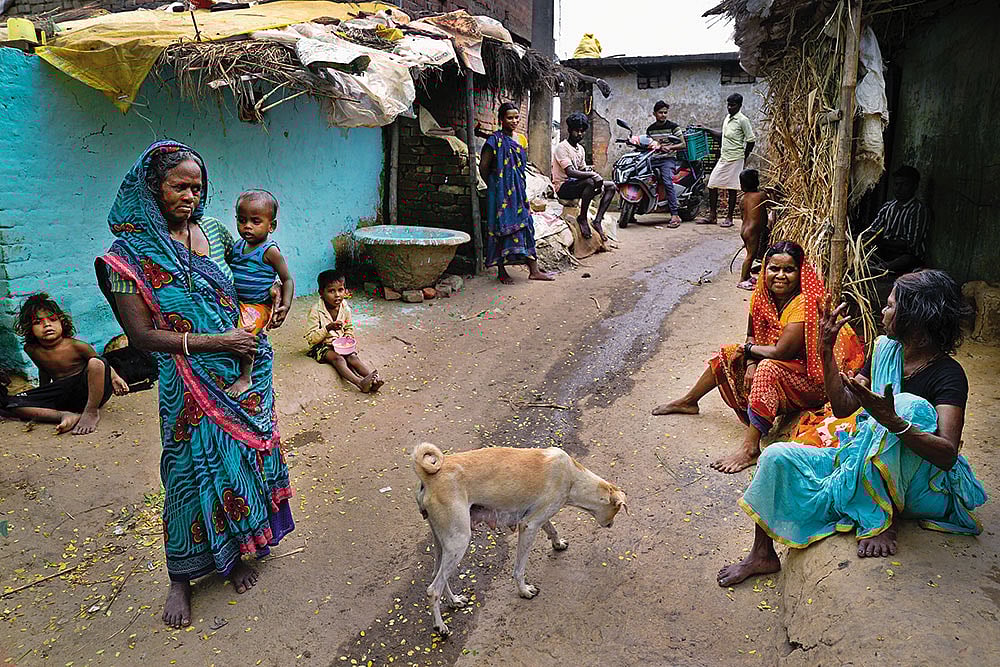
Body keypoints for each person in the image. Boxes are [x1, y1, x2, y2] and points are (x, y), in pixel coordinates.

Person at [95, 141, 294, 628]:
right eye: (178, 186)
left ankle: (240, 549)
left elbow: (246, 271)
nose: (189, 195)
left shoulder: (216, 230)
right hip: (188, 380)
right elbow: (142, 336)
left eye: (197, 187)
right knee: (187, 474)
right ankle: (181, 577)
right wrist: (214, 341)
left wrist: (273, 294)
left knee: (243, 460)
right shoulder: (126, 257)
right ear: (152, 189)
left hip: (243, 364)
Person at [717, 270, 986, 587]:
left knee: (909, 407)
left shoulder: (948, 375)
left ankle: (881, 518)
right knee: (776, 455)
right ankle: (762, 554)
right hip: (863, 459)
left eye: (890, 306)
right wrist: (825, 350)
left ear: (915, 321)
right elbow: (844, 406)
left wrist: (894, 421)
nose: (882, 312)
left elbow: (946, 455)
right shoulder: (885, 351)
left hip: (922, 486)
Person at [652, 241, 864, 473]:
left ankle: (750, 448)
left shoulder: (804, 303)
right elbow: (751, 336)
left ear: (800, 272)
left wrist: (750, 353)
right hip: (783, 367)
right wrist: (750, 362)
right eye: (774, 268)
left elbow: (783, 352)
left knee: (768, 367)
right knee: (729, 353)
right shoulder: (762, 296)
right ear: (765, 269)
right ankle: (689, 401)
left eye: (789, 270)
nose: (780, 276)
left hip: (814, 379)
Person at [0, 293, 129, 434]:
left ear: (62, 322)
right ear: (29, 328)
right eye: (38, 322)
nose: (47, 325)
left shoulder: (77, 346)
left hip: (90, 391)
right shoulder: (31, 349)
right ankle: (63, 415)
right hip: (62, 395)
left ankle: (91, 412)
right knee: (11, 403)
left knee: (95, 362)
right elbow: (43, 370)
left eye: (52, 319)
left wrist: (115, 377)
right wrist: (43, 395)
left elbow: (101, 365)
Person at [225, 189, 294, 397]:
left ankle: (246, 376)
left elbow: (287, 279)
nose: (247, 226)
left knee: (246, 333)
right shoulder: (237, 247)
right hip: (237, 302)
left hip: (257, 305)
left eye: (255, 221)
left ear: (271, 226)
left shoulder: (269, 251)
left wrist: (286, 303)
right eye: (242, 220)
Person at [479, 102, 555, 284]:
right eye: (509, 117)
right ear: (501, 120)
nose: (513, 121)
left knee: (526, 225)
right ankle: (502, 271)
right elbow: (483, 167)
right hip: (499, 193)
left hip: (519, 191)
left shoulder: (521, 140)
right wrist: (496, 184)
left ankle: (534, 270)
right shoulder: (494, 141)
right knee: (500, 228)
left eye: (516, 117)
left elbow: (520, 166)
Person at [305, 270, 383, 393]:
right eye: (331, 291)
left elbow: (349, 327)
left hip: (340, 344)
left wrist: (347, 337)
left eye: (340, 290)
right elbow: (311, 338)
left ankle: (373, 379)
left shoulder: (344, 307)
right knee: (339, 359)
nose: (337, 295)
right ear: (321, 293)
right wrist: (327, 328)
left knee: (353, 357)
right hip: (321, 346)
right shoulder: (315, 311)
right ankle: (360, 383)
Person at [695, 93, 756, 228]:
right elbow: (723, 135)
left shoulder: (743, 120)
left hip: (736, 158)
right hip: (724, 157)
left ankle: (729, 218)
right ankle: (712, 216)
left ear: (739, 106)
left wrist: (745, 155)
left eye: (732, 105)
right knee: (712, 184)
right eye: (728, 105)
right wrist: (706, 128)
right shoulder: (727, 118)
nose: (729, 108)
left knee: (732, 188)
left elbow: (751, 140)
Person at [552, 111, 615, 241]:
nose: (579, 134)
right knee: (591, 182)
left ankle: (597, 221)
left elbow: (582, 169)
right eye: (576, 131)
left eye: (582, 131)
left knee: (611, 187)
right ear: (569, 130)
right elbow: (570, 172)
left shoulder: (580, 149)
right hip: (563, 187)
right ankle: (582, 217)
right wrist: (593, 175)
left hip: (575, 184)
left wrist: (593, 174)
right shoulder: (561, 147)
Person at [863, 166, 930, 274]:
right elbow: (874, 229)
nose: (899, 189)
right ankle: (878, 267)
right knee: (867, 249)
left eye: (904, 185)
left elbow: (910, 244)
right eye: (896, 184)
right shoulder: (888, 207)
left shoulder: (918, 210)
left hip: (905, 256)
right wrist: (868, 237)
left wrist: (882, 241)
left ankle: (881, 268)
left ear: (914, 187)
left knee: (906, 259)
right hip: (885, 251)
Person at [645, 100, 687, 228]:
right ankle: (631, 211)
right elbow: (648, 143)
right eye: (660, 112)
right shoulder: (650, 129)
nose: (663, 115)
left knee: (667, 181)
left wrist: (671, 147)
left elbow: (683, 144)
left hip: (667, 159)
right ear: (654, 113)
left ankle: (675, 214)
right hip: (653, 159)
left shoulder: (673, 127)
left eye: (665, 112)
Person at [736, 169, 769, 291]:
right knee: (750, 255)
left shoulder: (743, 198)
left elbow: (742, 214)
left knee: (749, 253)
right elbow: (773, 204)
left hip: (745, 230)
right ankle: (742, 280)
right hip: (753, 231)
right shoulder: (761, 196)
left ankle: (747, 275)